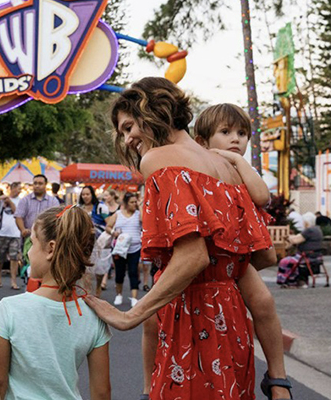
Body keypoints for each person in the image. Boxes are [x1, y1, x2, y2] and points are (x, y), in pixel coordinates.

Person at [84, 77, 277, 400]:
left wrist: (131, 314)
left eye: (130, 127)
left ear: (153, 111)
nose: (129, 138)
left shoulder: (158, 159)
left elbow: (192, 256)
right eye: (123, 132)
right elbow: (260, 256)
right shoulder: (226, 167)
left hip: (192, 319)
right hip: (233, 324)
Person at [192, 103, 292, 400]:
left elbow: (262, 196)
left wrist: (237, 162)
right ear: (201, 141)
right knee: (152, 315)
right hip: (205, 255)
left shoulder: (240, 168)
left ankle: (277, 376)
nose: (236, 139)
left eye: (242, 133)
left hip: (235, 258)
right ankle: (148, 385)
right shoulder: (197, 165)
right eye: (225, 132)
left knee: (263, 302)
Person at [0, 205, 111, 400]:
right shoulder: (93, 314)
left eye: (32, 243)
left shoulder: (10, 308)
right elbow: (102, 392)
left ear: (50, 248)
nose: (28, 253)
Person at [104, 192, 142, 307]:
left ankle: (134, 297)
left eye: (135, 202)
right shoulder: (118, 214)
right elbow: (108, 227)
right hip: (120, 249)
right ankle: (119, 294)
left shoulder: (138, 214)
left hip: (135, 248)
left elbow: (144, 221)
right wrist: (113, 232)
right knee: (119, 273)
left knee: (133, 272)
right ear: (126, 203)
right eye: (132, 202)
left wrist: (139, 206)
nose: (134, 204)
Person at [14, 174, 60, 262]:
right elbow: (18, 216)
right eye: (35, 183)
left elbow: (56, 218)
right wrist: (23, 229)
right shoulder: (25, 200)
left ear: (45, 185)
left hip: (47, 239)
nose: (37, 186)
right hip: (29, 239)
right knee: (29, 264)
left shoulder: (53, 201)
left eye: (40, 183)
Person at [0, 182, 22, 289]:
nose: (19, 191)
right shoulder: (2, 200)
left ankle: (13, 281)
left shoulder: (21, 201)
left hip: (15, 233)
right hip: (1, 233)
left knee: (14, 257)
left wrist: (10, 202)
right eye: (18, 188)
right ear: (12, 188)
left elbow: (18, 213)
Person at [279, 211, 324, 288]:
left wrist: (288, 237)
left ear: (306, 222)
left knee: (285, 261)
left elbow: (296, 240)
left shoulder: (309, 230)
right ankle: (300, 281)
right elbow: (299, 237)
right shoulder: (317, 230)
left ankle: (290, 281)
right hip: (317, 256)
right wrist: (292, 237)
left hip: (306, 257)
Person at [79, 185, 109, 297]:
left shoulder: (100, 207)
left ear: (92, 195)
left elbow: (108, 222)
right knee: (85, 268)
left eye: (87, 194)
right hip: (83, 242)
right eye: (83, 194)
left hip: (99, 242)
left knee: (100, 269)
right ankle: (87, 293)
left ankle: (97, 289)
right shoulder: (79, 208)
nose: (85, 196)